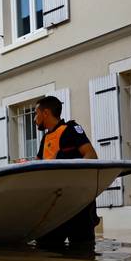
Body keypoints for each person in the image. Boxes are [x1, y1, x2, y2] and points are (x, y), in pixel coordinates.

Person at [34, 95, 99, 247]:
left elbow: (91, 155)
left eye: (36, 114)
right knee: (46, 247)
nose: (34, 119)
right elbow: (38, 167)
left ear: (46, 113)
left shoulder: (71, 130)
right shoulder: (45, 139)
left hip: (78, 205)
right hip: (53, 207)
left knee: (83, 251)